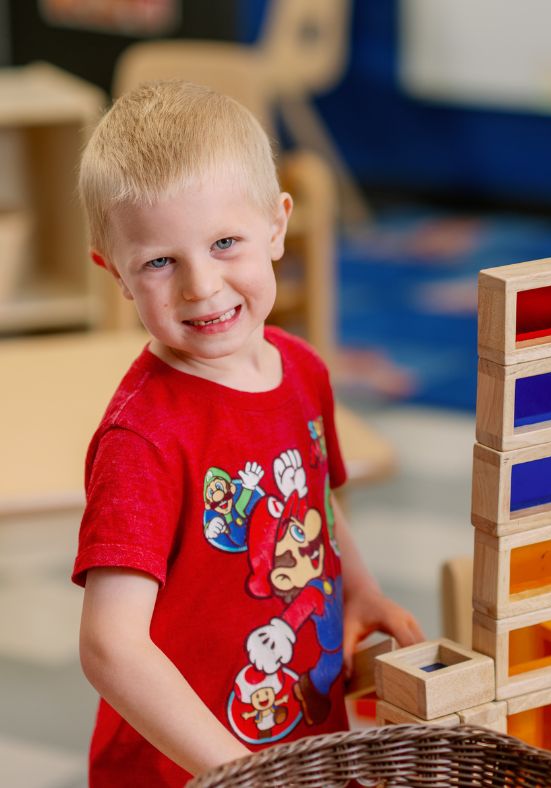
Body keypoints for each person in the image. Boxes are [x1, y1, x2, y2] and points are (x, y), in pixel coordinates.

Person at [72, 80, 424, 786]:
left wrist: (359, 588)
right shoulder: (142, 437)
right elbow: (110, 647)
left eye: (225, 242)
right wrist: (241, 775)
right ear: (115, 273)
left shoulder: (301, 369)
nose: (201, 286)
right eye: (159, 262)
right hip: (190, 772)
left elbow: (315, 502)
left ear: (277, 224)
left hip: (301, 736)